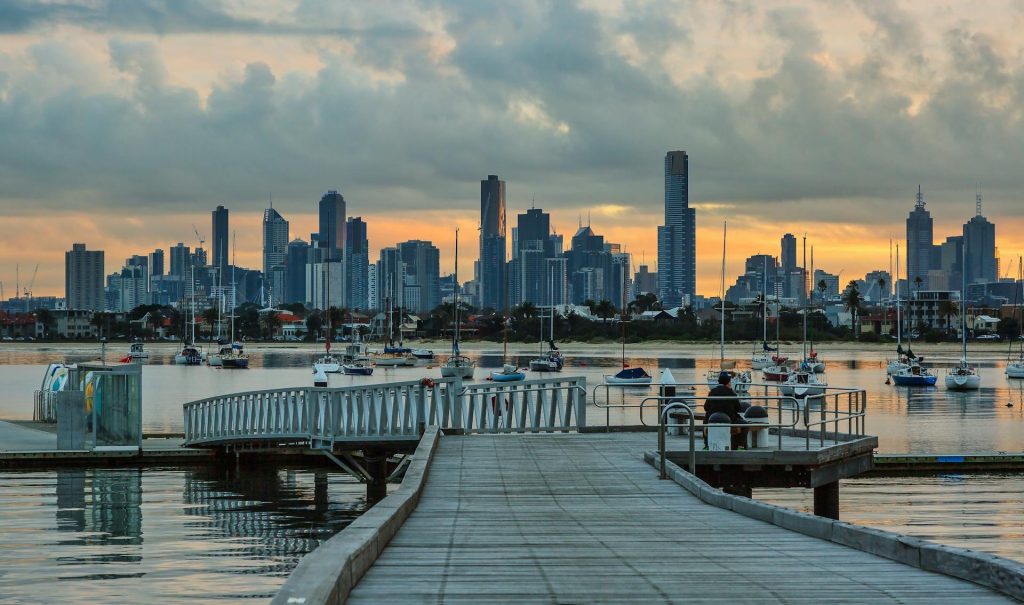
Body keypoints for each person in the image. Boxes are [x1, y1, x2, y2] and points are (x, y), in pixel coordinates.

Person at [705, 371, 748, 450]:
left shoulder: (712, 392)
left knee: (706, 420)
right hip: (729, 420)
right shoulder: (731, 393)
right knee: (745, 425)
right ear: (728, 382)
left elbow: (706, 407)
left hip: (712, 420)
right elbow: (738, 408)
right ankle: (740, 446)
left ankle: (706, 446)